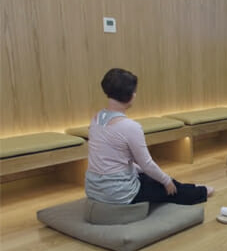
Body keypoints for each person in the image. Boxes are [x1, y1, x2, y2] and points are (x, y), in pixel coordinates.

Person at [85, 68, 213, 205]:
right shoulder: (130, 127)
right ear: (131, 95)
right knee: (169, 188)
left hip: (93, 188)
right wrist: (166, 181)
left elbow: (113, 159)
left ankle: (187, 186)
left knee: (150, 176)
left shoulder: (96, 118)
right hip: (118, 194)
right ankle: (201, 191)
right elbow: (146, 164)